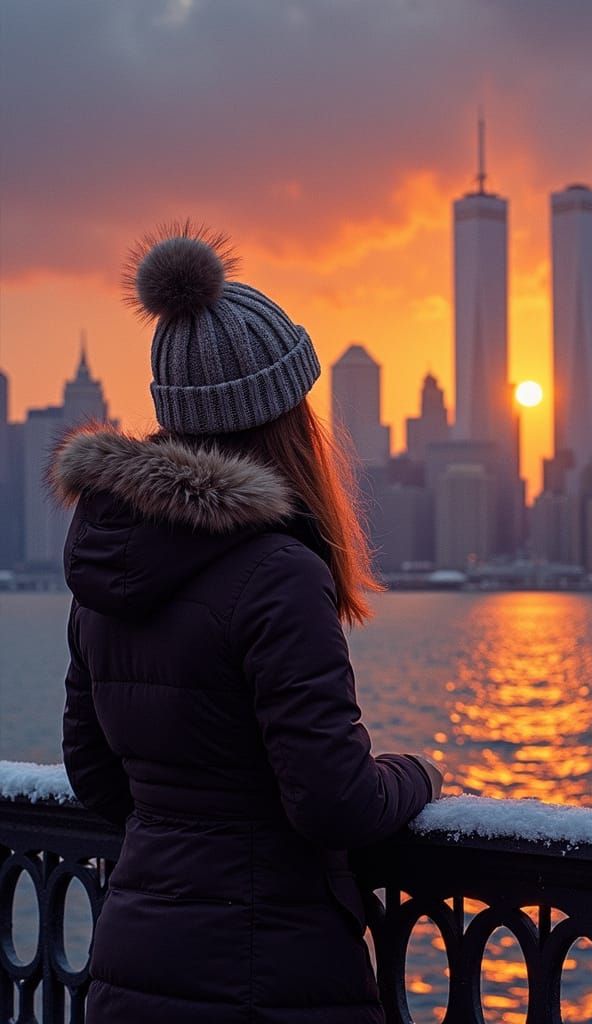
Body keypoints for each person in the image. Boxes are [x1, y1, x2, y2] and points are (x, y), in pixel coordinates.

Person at [50, 224, 444, 1024]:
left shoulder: (103, 562)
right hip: (264, 974)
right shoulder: (278, 574)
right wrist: (418, 775)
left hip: (130, 966)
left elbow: (93, 775)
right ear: (284, 417)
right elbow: (332, 802)